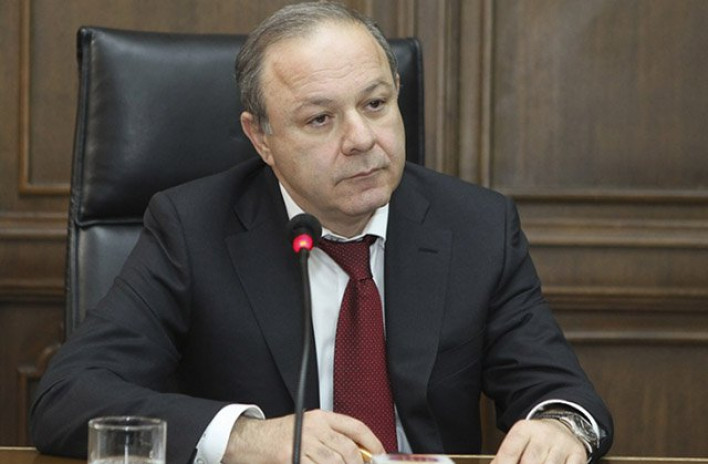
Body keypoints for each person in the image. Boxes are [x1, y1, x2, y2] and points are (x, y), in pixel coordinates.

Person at [30, 2, 613, 464]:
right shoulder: (193, 228)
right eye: (320, 119)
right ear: (261, 138)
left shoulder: (478, 225)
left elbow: (561, 392)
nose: (360, 138)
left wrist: (560, 426)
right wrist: (247, 438)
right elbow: (68, 397)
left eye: (375, 103)